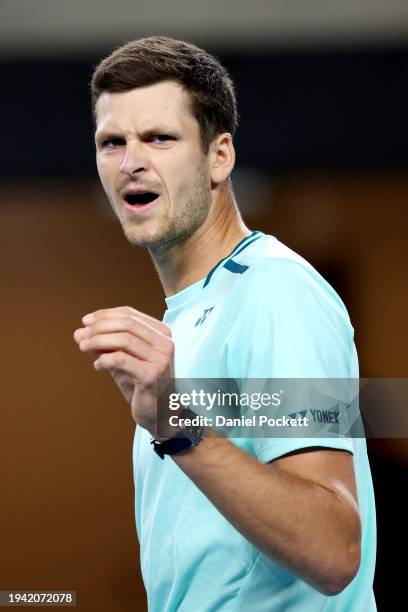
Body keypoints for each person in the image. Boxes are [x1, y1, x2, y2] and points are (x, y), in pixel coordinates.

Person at [73, 36, 377, 611]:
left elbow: (334, 548)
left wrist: (179, 425)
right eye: (112, 142)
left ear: (220, 157)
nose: (131, 161)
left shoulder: (275, 291)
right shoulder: (193, 314)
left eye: (160, 138)